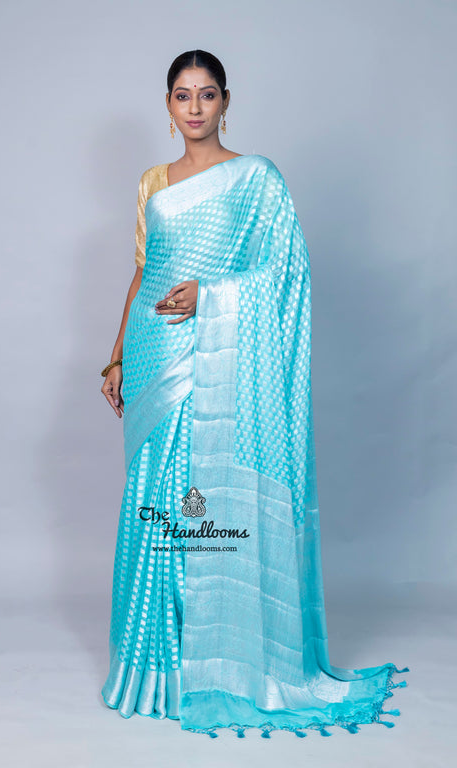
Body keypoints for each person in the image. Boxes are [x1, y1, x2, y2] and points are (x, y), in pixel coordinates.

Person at [100, 49, 409, 738]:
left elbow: (286, 269)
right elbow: (142, 273)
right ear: (168, 105)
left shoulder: (257, 179)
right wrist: (116, 355)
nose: (195, 107)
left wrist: (211, 295)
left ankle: (215, 667)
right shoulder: (152, 183)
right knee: (156, 499)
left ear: (226, 101)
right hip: (152, 356)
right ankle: (157, 668)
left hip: (213, 355)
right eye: (183, 95)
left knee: (202, 498)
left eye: (207, 94)